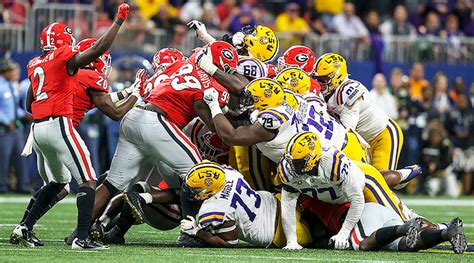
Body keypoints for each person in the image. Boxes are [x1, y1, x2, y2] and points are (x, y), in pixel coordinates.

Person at [12, 3, 130, 250]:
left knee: (57, 184)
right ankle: (81, 238)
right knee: (88, 180)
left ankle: (23, 228)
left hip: (37, 130)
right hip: (58, 125)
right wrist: (118, 21)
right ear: (63, 40)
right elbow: (99, 48)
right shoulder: (66, 59)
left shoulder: (35, 63)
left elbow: (28, 104)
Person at [89, 41, 238, 227]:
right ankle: (190, 229)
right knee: (199, 173)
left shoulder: (180, 65)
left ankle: (81, 232)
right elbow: (214, 125)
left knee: (113, 183)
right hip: (157, 122)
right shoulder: (210, 82)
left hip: (134, 116)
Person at [278, 132, 416, 250]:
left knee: (401, 220)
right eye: (290, 160)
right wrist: (291, 241)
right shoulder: (287, 169)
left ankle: (408, 188)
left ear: (312, 159)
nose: (290, 166)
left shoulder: (334, 164)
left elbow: (357, 199)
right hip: (333, 195)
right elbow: (287, 203)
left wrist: (343, 234)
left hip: (364, 183)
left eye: (297, 162)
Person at [179, 162, 312, 248]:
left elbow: (231, 244)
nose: (191, 191)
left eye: (195, 189)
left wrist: (198, 232)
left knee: (321, 240)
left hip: (279, 233)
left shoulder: (213, 210)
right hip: (281, 202)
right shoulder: (229, 174)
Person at [314, 53, 405, 171]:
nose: (318, 83)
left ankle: (405, 174)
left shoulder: (347, 92)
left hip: (382, 135)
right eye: (316, 78)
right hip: (364, 141)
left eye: (323, 79)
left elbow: (347, 131)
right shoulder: (326, 93)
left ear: (336, 77)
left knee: (381, 181)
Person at [0, 58, 29, 193]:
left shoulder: (12, 86)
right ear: (5, 71)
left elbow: (15, 106)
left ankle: (22, 186)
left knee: (20, 157)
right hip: (4, 129)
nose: (15, 73)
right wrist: (6, 121)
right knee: (3, 158)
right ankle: (2, 186)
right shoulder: (1, 85)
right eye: (13, 70)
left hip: (16, 127)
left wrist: (24, 114)